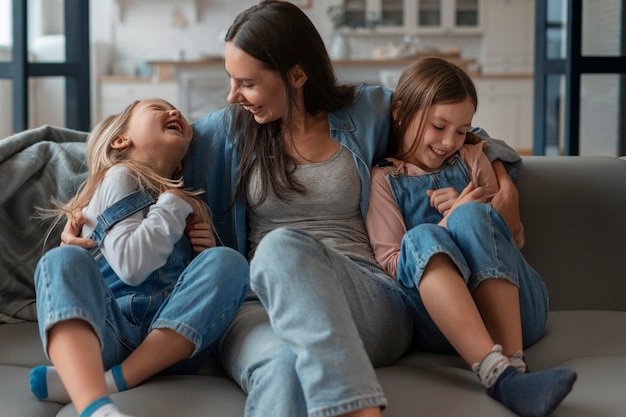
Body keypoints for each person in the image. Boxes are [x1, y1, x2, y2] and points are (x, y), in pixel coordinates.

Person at [63, 2, 526, 416]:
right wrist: (88, 213)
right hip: (254, 307)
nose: (232, 95)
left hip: (366, 296)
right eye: (231, 80)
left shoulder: (366, 111)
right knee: (281, 366)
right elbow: (138, 160)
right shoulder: (226, 132)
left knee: (281, 248)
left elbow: (462, 132)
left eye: (247, 82)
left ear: (297, 75)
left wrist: (502, 180)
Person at [366, 57, 577, 417]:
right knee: (419, 238)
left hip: (519, 312)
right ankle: (503, 378)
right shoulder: (383, 180)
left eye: (461, 130)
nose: (449, 141)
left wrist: (468, 214)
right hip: (444, 325)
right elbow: (390, 264)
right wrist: (444, 226)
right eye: (438, 126)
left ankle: (513, 368)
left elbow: (510, 241)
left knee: (472, 214)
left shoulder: (473, 159)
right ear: (401, 111)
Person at [30, 98, 249, 417]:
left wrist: (205, 257)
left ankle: (103, 382)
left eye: (176, 111)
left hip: (173, 345)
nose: (174, 112)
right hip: (112, 334)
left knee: (227, 262)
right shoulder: (120, 176)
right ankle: (96, 405)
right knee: (60, 262)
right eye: (158, 108)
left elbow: (194, 293)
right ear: (121, 140)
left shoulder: (182, 206)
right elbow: (133, 266)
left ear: (179, 167)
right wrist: (173, 203)